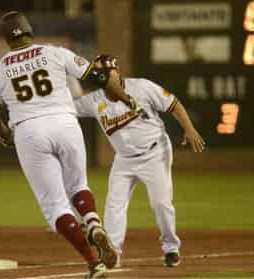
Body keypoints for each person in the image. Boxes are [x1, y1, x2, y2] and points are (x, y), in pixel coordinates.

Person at [0, 11, 141, 278]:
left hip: (28, 131)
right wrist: (124, 97)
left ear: (6, 39)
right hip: (65, 122)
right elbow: (98, 76)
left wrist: (5, 133)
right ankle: (94, 224)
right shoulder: (56, 52)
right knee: (78, 185)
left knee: (55, 206)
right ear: (29, 30)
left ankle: (93, 262)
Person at [73, 57, 205, 268]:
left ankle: (171, 247)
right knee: (114, 205)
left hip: (154, 152)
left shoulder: (141, 87)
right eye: (101, 74)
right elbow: (67, 108)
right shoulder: (94, 100)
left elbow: (173, 103)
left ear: (117, 72)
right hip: (123, 159)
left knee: (161, 204)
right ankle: (112, 253)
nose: (106, 77)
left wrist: (188, 128)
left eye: (109, 72)